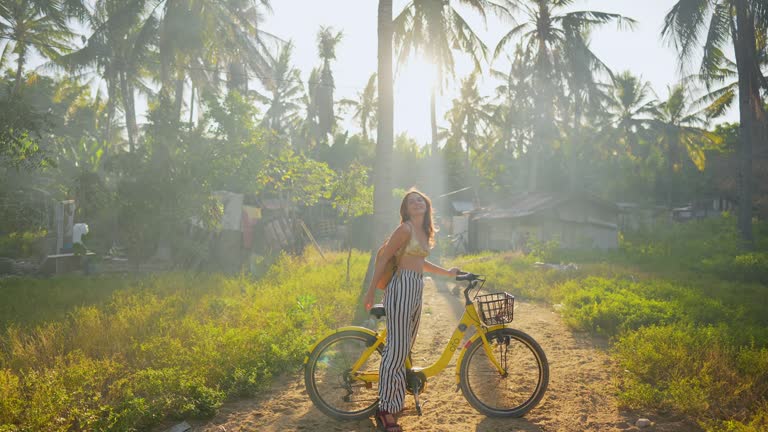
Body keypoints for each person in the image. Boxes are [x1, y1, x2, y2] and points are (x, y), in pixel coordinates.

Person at [363, 189, 459, 432]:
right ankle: (386, 409)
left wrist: (447, 273)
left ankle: (394, 401)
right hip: (401, 286)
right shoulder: (404, 229)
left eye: (420, 200)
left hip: (415, 286)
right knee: (395, 352)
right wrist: (371, 291)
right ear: (405, 210)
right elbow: (384, 258)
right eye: (411, 201)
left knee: (404, 348)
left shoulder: (424, 232)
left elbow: (420, 263)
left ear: (427, 206)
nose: (416, 202)